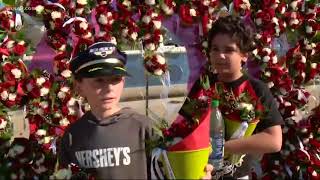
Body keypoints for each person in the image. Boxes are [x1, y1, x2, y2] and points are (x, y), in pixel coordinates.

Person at [58, 41, 213, 179]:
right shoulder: (73, 136)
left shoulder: (144, 128)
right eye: (99, 81)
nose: (109, 88)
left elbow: (170, 172)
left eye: (115, 79)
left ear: (123, 81)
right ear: (79, 86)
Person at [179, 16, 283, 179]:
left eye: (228, 50)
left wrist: (223, 148)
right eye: (215, 49)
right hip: (200, 173)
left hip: (237, 174)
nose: (220, 56)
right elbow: (184, 126)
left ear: (244, 55)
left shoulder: (256, 89)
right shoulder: (203, 85)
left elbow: (274, 140)